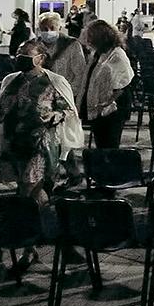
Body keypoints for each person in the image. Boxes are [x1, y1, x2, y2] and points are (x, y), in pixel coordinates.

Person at [0, 39, 78, 275]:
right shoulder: (12, 81)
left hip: (40, 143)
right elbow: (0, 109)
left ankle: (28, 243)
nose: (20, 59)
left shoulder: (53, 82)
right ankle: (46, 230)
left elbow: (69, 110)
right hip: (14, 144)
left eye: (26, 55)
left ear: (41, 58)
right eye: (18, 53)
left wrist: (52, 116)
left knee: (29, 190)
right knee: (28, 191)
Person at [35, 12, 88, 186]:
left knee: (63, 138)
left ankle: (73, 172)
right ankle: (48, 174)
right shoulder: (36, 46)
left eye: (52, 28)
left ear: (59, 27)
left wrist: (67, 96)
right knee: (46, 137)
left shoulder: (71, 45)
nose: (48, 32)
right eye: (44, 29)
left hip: (64, 97)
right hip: (42, 99)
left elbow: (79, 73)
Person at [77, 20, 135, 149]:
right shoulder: (98, 53)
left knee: (109, 144)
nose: (88, 40)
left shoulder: (117, 55)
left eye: (91, 37)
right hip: (99, 107)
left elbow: (121, 85)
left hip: (113, 108)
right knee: (101, 142)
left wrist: (107, 101)